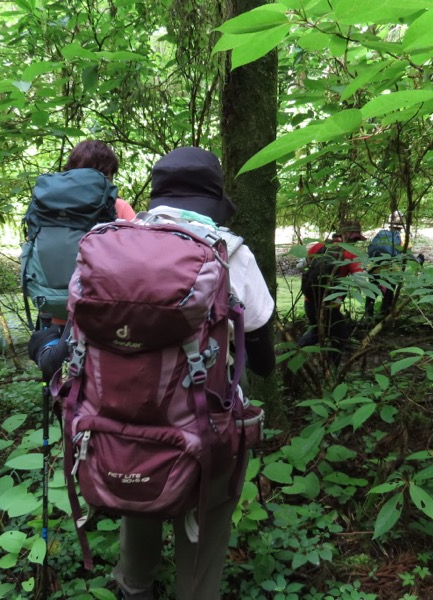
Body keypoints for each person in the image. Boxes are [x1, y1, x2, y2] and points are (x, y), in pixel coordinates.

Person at [113, 146, 275, 600]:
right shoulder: (229, 251)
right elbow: (260, 356)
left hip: (125, 414)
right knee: (207, 513)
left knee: (140, 494)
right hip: (207, 420)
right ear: (213, 198)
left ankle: (134, 585)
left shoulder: (115, 243)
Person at [27, 139, 135, 379]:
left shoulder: (44, 206)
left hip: (53, 311)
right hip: (99, 314)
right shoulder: (117, 206)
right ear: (108, 173)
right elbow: (136, 261)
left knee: (62, 384)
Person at [297, 221, 366, 365]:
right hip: (331, 304)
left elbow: (300, 266)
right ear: (346, 235)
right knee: (339, 337)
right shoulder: (350, 253)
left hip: (310, 299)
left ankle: (296, 353)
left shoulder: (320, 246)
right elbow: (362, 281)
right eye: (355, 239)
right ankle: (331, 369)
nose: (355, 242)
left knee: (317, 330)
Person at [364, 211, 423, 317]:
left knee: (371, 293)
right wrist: (419, 260)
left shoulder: (381, 234)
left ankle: (368, 317)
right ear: (402, 225)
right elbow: (408, 254)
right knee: (388, 295)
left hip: (374, 268)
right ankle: (383, 318)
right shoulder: (403, 237)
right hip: (392, 271)